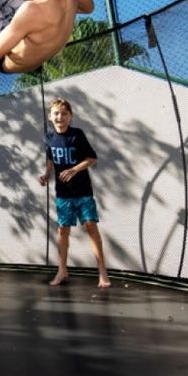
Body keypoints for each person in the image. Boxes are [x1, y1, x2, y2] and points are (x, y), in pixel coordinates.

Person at [38, 97, 111, 288]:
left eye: (64, 113)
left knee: (90, 227)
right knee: (63, 231)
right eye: (56, 113)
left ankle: (102, 273)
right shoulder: (48, 138)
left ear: (70, 116)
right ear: (50, 116)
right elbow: (50, 159)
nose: (60, 117)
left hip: (83, 192)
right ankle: (62, 271)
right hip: (63, 194)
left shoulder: (77, 135)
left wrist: (74, 169)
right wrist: (46, 175)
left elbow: (92, 158)